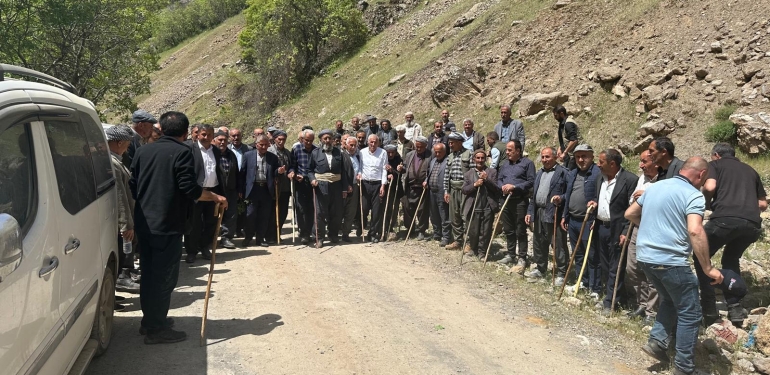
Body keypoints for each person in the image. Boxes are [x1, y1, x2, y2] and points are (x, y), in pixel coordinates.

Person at [130, 111, 227, 344]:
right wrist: (214, 196)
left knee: (149, 274)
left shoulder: (143, 151)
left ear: (161, 129)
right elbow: (189, 188)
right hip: (168, 225)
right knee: (164, 277)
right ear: (186, 132)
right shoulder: (183, 152)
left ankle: (150, 321)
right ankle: (156, 329)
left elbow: (133, 185)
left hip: (145, 223)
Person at [625, 157, 723, 375]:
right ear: (701, 174)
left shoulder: (655, 187)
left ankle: (657, 342)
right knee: (691, 313)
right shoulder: (693, 195)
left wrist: (652, 229)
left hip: (645, 257)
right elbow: (695, 230)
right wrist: (708, 268)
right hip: (669, 260)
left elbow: (630, 213)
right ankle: (684, 368)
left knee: (669, 299)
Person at [696, 143, 768, 325]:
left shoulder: (715, 165)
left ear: (716, 155)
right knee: (730, 258)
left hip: (724, 219)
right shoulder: (750, 170)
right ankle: (735, 308)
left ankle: (709, 310)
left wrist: (706, 204)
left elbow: (710, 187)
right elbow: (762, 204)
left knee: (700, 256)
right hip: (752, 225)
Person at [587, 149, 637, 313]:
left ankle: (610, 302)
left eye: (601, 162)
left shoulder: (629, 180)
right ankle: (618, 297)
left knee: (616, 266)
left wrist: (625, 230)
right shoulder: (600, 178)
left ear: (612, 164)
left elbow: (632, 207)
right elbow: (600, 198)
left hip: (617, 229)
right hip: (600, 227)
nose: (597, 164)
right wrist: (594, 204)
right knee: (606, 265)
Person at [525, 147, 569, 285]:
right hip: (539, 211)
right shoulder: (539, 173)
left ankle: (561, 273)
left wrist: (561, 198)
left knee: (557, 243)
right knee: (538, 241)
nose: (544, 160)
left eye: (547, 157)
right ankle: (540, 268)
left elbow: (569, 193)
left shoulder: (563, 173)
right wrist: (530, 211)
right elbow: (533, 195)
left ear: (555, 157)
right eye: (543, 157)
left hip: (554, 212)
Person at [562, 144, 602, 296]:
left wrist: (595, 215)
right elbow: (569, 194)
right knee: (577, 253)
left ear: (592, 156)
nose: (580, 160)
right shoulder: (573, 173)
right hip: (573, 220)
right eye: (578, 156)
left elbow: (602, 196)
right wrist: (565, 215)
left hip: (588, 221)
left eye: (584, 156)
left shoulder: (598, 173)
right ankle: (582, 282)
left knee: (592, 256)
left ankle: (595, 288)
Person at [625, 150, 659, 323]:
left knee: (652, 270)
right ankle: (642, 303)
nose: (641, 165)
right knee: (632, 267)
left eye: (644, 161)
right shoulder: (642, 179)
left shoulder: (663, 180)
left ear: (655, 162)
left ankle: (652, 311)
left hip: (654, 229)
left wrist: (646, 197)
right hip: (637, 225)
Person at [106, 125, 140, 294]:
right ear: (119, 143)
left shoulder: (116, 161)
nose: (128, 147)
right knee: (121, 252)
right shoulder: (112, 164)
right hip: (121, 222)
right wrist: (126, 224)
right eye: (127, 144)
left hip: (125, 217)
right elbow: (120, 196)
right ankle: (120, 280)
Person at [185, 124, 225, 263]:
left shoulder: (216, 151)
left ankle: (205, 247)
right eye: (203, 134)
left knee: (211, 222)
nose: (206, 137)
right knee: (194, 223)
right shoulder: (190, 149)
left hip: (213, 191)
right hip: (197, 192)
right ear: (198, 135)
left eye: (209, 134)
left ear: (213, 136)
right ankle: (191, 251)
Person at [496, 140, 535, 273]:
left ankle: (522, 257)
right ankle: (510, 254)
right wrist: (502, 186)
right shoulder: (505, 164)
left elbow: (531, 181)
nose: (507, 152)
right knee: (508, 229)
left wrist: (515, 186)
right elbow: (499, 179)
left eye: (510, 150)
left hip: (520, 201)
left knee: (520, 230)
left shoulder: (527, 164)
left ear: (518, 151)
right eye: (507, 150)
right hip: (506, 201)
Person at [240, 134, 283, 247]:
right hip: (252, 189)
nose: (264, 147)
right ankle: (248, 237)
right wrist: (241, 189)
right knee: (250, 214)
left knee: (264, 216)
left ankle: (260, 238)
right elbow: (242, 173)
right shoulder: (248, 155)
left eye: (266, 145)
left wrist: (279, 171)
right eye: (261, 145)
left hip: (266, 189)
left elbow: (275, 172)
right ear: (256, 144)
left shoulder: (272, 157)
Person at [308, 130, 349, 246]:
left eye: (329, 138)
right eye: (325, 138)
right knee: (320, 212)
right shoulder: (315, 153)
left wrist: (344, 188)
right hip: (321, 186)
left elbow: (343, 171)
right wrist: (312, 179)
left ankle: (333, 235)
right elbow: (309, 170)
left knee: (336, 212)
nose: (327, 140)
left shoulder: (339, 153)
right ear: (320, 140)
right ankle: (319, 237)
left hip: (336, 186)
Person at [461, 149, 500, 259]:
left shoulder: (492, 172)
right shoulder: (468, 174)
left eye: (482, 158)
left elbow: (496, 188)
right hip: (473, 207)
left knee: (485, 231)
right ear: (474, 159)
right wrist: (475, 185)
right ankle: (473, 249)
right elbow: (464, 190)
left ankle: (482, 252)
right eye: (478, 158)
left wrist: (486, 179)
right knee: (473, 231)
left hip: (487, 206)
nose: (480, 160)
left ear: (485, 159)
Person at [398, 136, 431, 241]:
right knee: (407, 208)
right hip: (409, 187)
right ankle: (410, 228)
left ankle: (421, 230)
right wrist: (401, 168)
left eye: (421, 147)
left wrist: (427, 180)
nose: (418, 149)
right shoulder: (409, 155)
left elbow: (431, 170)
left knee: (422, 210)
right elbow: (405, 167)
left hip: (423, 188)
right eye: (417, 146)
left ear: (426, 146)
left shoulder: (430, 156)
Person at [443, 132, 472, 250]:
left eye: (452, 143)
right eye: (449, 143)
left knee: (465, 216)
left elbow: (473, 172)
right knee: (454, 216)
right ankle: (457, 241)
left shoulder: (469, 154)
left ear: (459, 143)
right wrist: (446, 191)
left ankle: (468, 243)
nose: (450, 145)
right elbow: (446, 175)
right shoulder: (450, 156)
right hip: (453, 189)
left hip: (465, 190)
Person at [288, 129, 317, 245]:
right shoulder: (296, 149)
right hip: (300, 182)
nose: (308, 143)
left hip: (312, 183)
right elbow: (292, 166)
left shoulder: (316, 150)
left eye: (311, 140)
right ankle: (303, 232)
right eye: (306, 140)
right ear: (302, 139)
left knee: (312, 208)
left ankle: (311, 232)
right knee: (301, 208)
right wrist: (293, 174)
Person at [213, 131, 240, 249]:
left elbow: (236, 173)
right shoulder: (211, 153)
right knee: (212, 216)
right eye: (220, 140)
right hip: (215, 190)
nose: (222, 142)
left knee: (231, 215)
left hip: (230, 190)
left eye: (225, 140)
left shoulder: (231, 154)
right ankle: (209, 240)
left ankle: (226, 238)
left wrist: (238, 188)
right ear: (214, 140)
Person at [360, 134, 388, 242]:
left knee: (376, 211)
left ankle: (372, 233)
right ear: (368, 142)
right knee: (364, 208)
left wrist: (383, 186)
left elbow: (384, 170)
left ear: (378, 143)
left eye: (375, 142)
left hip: (377, 184)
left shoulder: (383, 152)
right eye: (371, 142)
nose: (373, 144)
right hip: (365, 184)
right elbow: (360, 167)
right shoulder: (362, 152)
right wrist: (359, 175)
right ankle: (361, 226)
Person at [267, 130, 292, 245]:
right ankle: (270, 235)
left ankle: (278, 233)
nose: (281, 142)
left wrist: (291, 172)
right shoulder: (269, 151)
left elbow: (291, 166)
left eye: (283, 139)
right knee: (272, 212)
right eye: (279, 139)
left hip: (285, 186)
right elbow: (267, 168)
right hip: (273, 186)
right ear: (275, 139)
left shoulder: (287, 152)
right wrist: (277, 171)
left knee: (283, 212)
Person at [426, 143, 450, 246]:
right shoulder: (433, 161)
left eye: (439, 152)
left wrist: (447, 191)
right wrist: (426, 181)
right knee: (433, 213)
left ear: (444, 151)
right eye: (435, 152)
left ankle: (446, 236)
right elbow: (429, 174)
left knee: (444, 214)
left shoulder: (448, 161)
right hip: (432, 191)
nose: (437, 154)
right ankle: (437, 233)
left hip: (442, 191)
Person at [341, 135, 362, 241]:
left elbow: (361, 167)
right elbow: (341, 172)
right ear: (346, 145)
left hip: (355, 186)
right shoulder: (342, 155)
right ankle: (334, 232)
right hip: (343, 187)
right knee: (340, 210)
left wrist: (360, 174)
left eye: (355, 145)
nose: (353, 147)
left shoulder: (358, 155)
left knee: (351, 211)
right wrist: (346, 186)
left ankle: (346, 233)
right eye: (351, 145)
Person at [383, 144, 404, 240]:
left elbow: (400, 173)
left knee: (394, 209)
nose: (390, 154)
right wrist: (386, 175)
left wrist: (393, 171)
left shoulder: (398, 160)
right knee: (385, 209)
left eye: (392, 152)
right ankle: (384, 228)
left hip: (395, 189)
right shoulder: (382, 158)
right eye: (388, 153)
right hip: (384, 188)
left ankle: (391, 227)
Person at [553, 105, 580, 170]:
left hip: (574, 155)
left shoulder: (568, 124)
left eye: (556, 115)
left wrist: (564, 153)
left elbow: (574, 140)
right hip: (568, 155)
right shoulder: (562, 123)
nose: (555, 118)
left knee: (569, 172)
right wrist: (560, 148)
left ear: (561, 114)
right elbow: (564, 138)